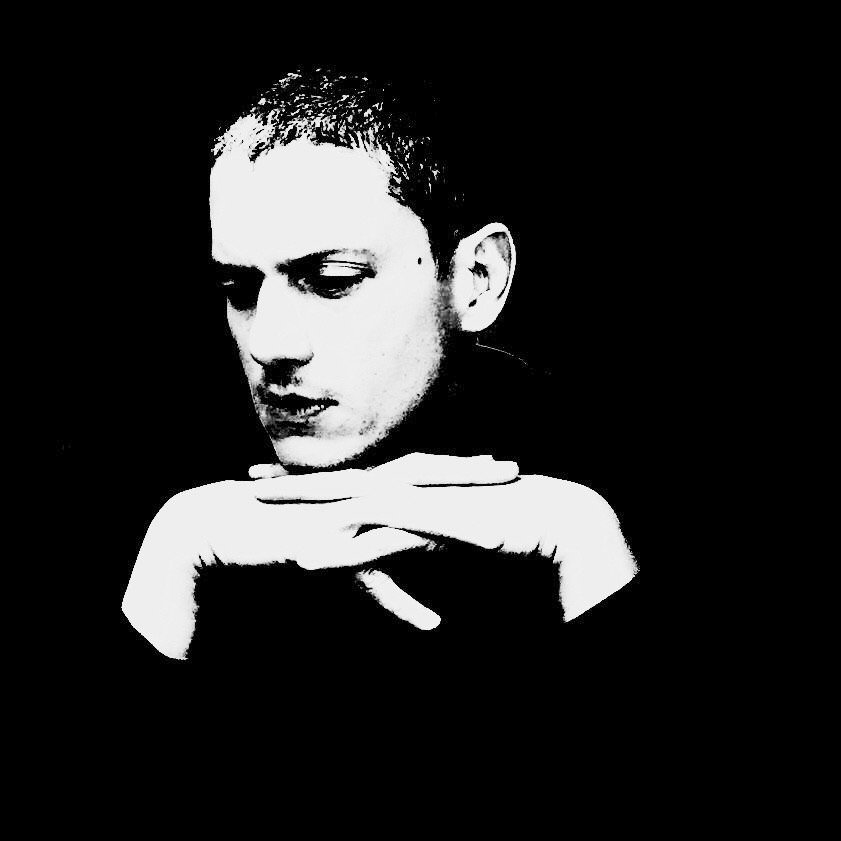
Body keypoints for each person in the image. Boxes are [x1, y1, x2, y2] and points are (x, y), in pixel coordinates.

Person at [120, 67, 639, 665]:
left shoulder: (622, 481)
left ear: (477, 279)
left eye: (332, 280)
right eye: (239, 289)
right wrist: (174, 557)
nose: (268, 343)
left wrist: (587, 550)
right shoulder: (146, 486)